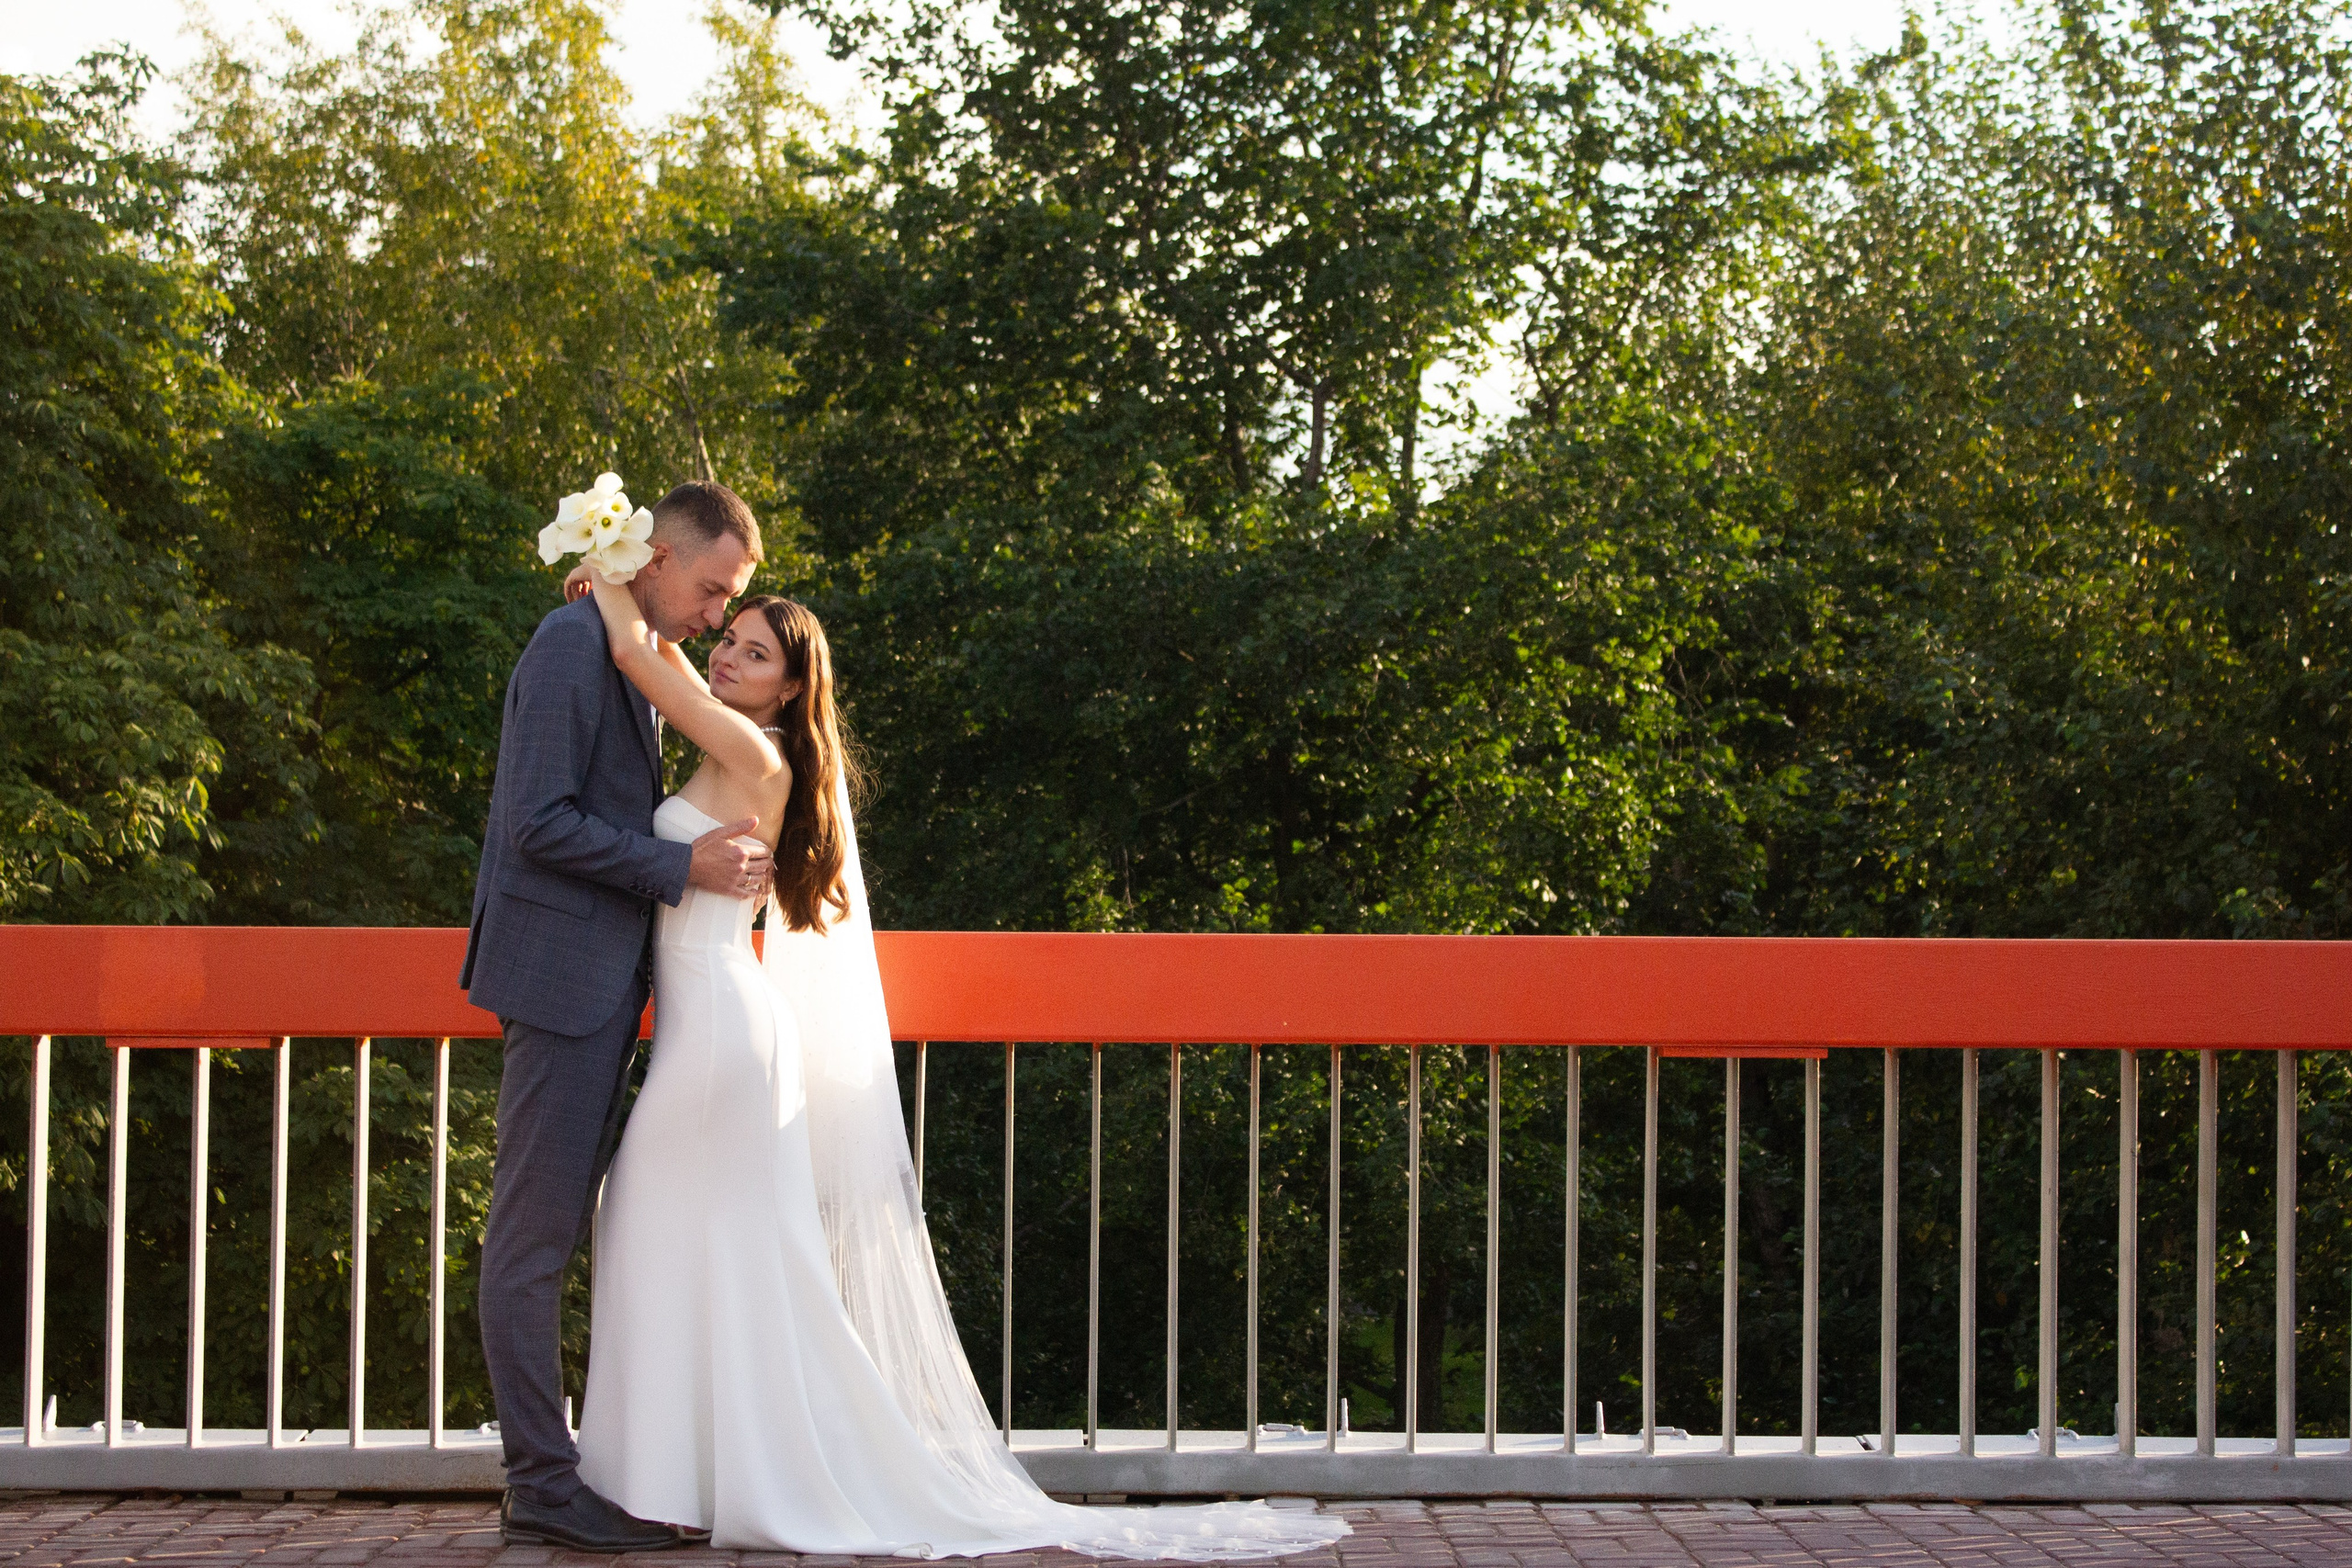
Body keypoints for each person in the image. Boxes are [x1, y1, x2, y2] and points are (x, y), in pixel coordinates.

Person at [564, 560, 1349, 1559]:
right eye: (726, 640)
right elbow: (661, 662)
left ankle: (698, 1479)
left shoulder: (757, 754)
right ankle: (688, 1480)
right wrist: (650, 614)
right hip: (708, 1027)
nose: (726, 655)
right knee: (709, 1249)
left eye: (753, 652)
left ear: (792, 687)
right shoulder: (737, 731)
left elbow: (639, 656)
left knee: (661, 1228)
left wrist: (607, 574)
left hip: (720, 1034)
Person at [461, 480, 772, 1553]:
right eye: (713, 586)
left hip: (601, 986)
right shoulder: (566, 643)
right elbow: (535, 820)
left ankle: (560, 1473)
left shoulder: (627, 642)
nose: (715, 612)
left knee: (554, 1235)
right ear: (661, 556)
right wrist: (677, 866)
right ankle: (541, 1481)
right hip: (559, 981)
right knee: (532, 1238)